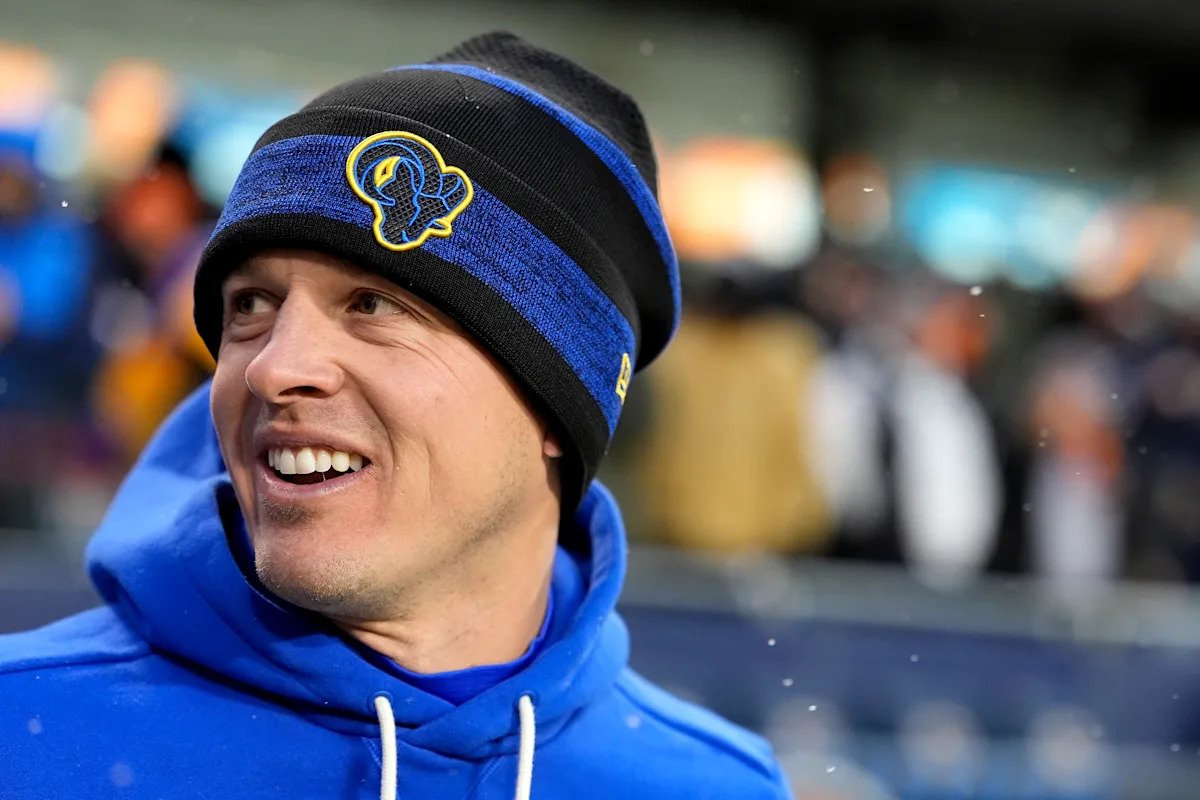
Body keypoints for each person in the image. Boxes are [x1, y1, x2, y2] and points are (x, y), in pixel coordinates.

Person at [0, 32, 791, 799]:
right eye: (251, 306)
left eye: (373, 305)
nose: (275, 367)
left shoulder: (714, 786)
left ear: (556, 404)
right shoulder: (26, 734)